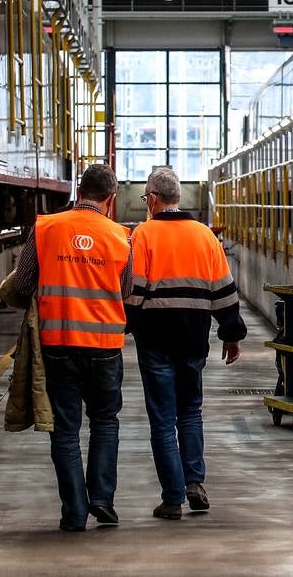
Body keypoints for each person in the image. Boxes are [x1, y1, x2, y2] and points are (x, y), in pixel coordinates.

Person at [10, 163, 131, 532]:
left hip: (58, 344)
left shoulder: (45, 228)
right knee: (105, 422)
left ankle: (75, 512)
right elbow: (125, 292)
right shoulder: (122, 236)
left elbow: (23, 283)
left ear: (79, 191)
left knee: (64, 430)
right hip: (105, 346)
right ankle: (102, 500)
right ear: (110, 199)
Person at [126, 167, 246, 520]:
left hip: (156, 340)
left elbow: (133, 292)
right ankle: (194, 482)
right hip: (194, 338)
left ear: (152, 199)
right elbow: (224, 290)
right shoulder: (205, 236)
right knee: (190, 411)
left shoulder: (143, 235)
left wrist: (126, 328)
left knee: (163, 419)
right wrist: (231, 334)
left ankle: (173, 498)